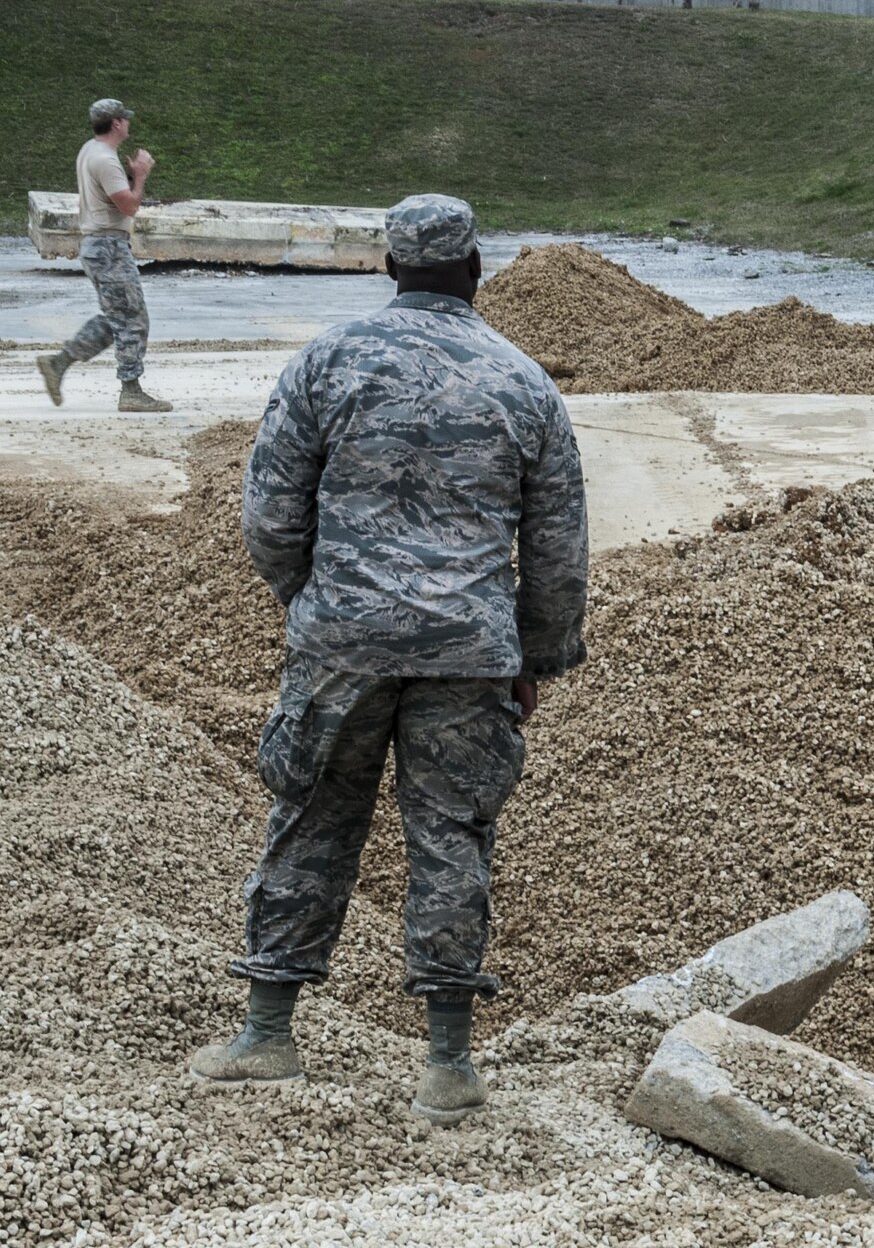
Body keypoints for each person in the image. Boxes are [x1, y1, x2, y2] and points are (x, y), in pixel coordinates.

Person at [188, 195, 590, 1127]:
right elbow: (561, 551)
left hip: (343, 645)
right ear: (476, 268)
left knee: (312, 819)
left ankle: (267, 1034)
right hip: (468, 653)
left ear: (390, 268)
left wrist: (313, 604)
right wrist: (535, 655)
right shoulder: (524, 383)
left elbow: (270, 513)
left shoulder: (327, 362)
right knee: (452, 839)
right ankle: (447, 1063)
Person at [38, 99, 171, 412]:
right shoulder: (105, 160)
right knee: (134, 320)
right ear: (116, 124)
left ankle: (58, 363)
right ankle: (131, 391)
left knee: (117, 319)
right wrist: (139, 175)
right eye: (124, 119)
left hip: (98, 245)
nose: (127, 123)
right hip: (109, 247)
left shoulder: (90, 150)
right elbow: (129, 206)